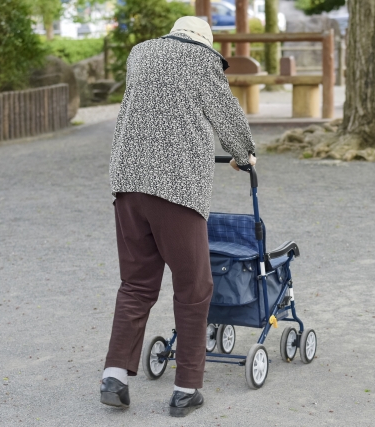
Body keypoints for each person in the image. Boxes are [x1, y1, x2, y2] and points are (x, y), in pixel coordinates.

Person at [100, 16, 256, 418]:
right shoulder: (201, 61)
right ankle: (186, 387)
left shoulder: (141, 53)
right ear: (205, 43)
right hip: (176, 188)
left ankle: (114, 377)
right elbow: (226, 113)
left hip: (128, 183)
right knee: (194, 287)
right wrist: (244, 154)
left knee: (135, 284)